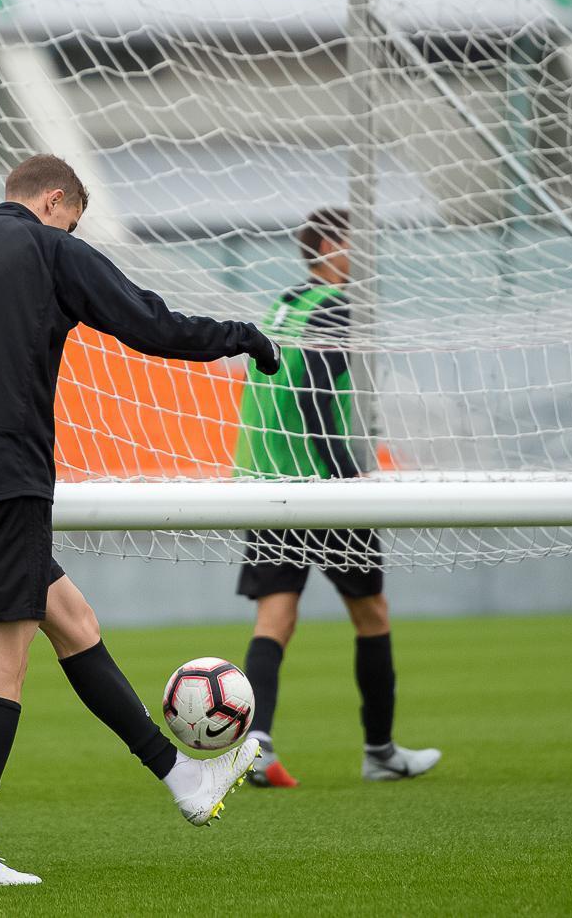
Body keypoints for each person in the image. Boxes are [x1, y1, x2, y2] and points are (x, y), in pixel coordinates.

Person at [0, 154, 281, 889]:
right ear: (54, 201)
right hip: (7, 480)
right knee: (1, 666)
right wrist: (239, 334)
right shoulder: (51, 250)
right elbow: (149, 324)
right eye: (72, 220)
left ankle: (183, 778)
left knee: (73, 620)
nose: (70, 231)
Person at [231, 207, 441, 787]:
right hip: (319, 484)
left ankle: (257, 744)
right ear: (328, 246)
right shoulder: (338, 308)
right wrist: (347, 480)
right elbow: (313, 396)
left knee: (276, 615)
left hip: (267, 481)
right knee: (371, 612)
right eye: (358, 241)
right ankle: (380, 752)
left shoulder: (285, 305)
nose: (368, 254)